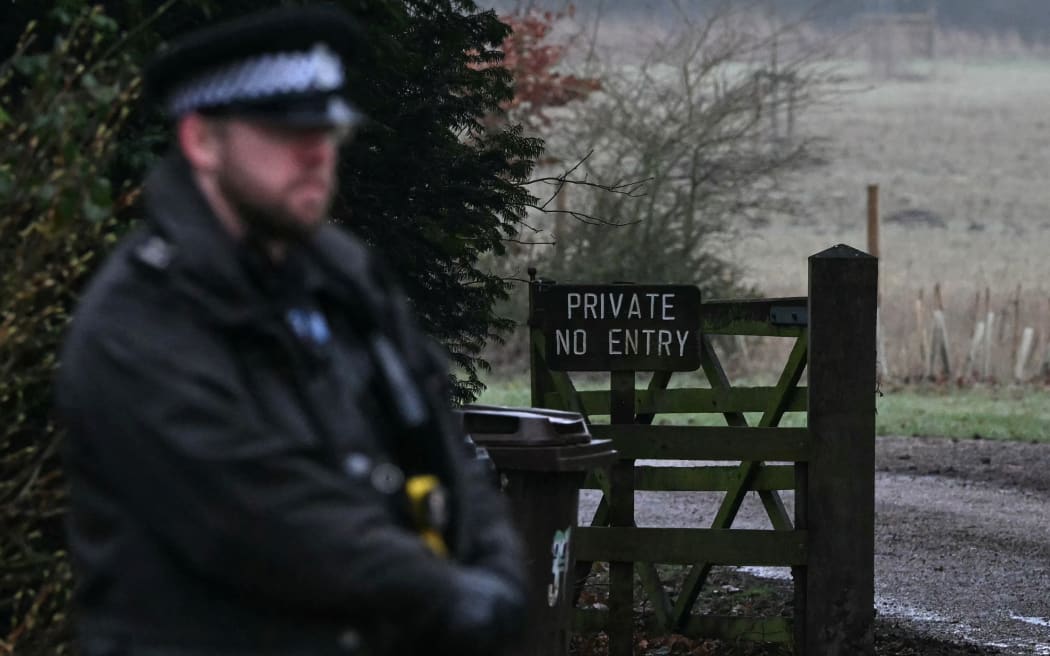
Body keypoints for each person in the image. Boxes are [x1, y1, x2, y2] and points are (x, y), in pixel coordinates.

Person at [55, 6, 526, 656]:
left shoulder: (346, 278)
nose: (316, 151)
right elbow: (259, 519)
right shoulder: (138, 319)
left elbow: (444, 442)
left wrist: (497, 574)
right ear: (200, 141)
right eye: (283, 128)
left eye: (327, 127)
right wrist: (446, 596)